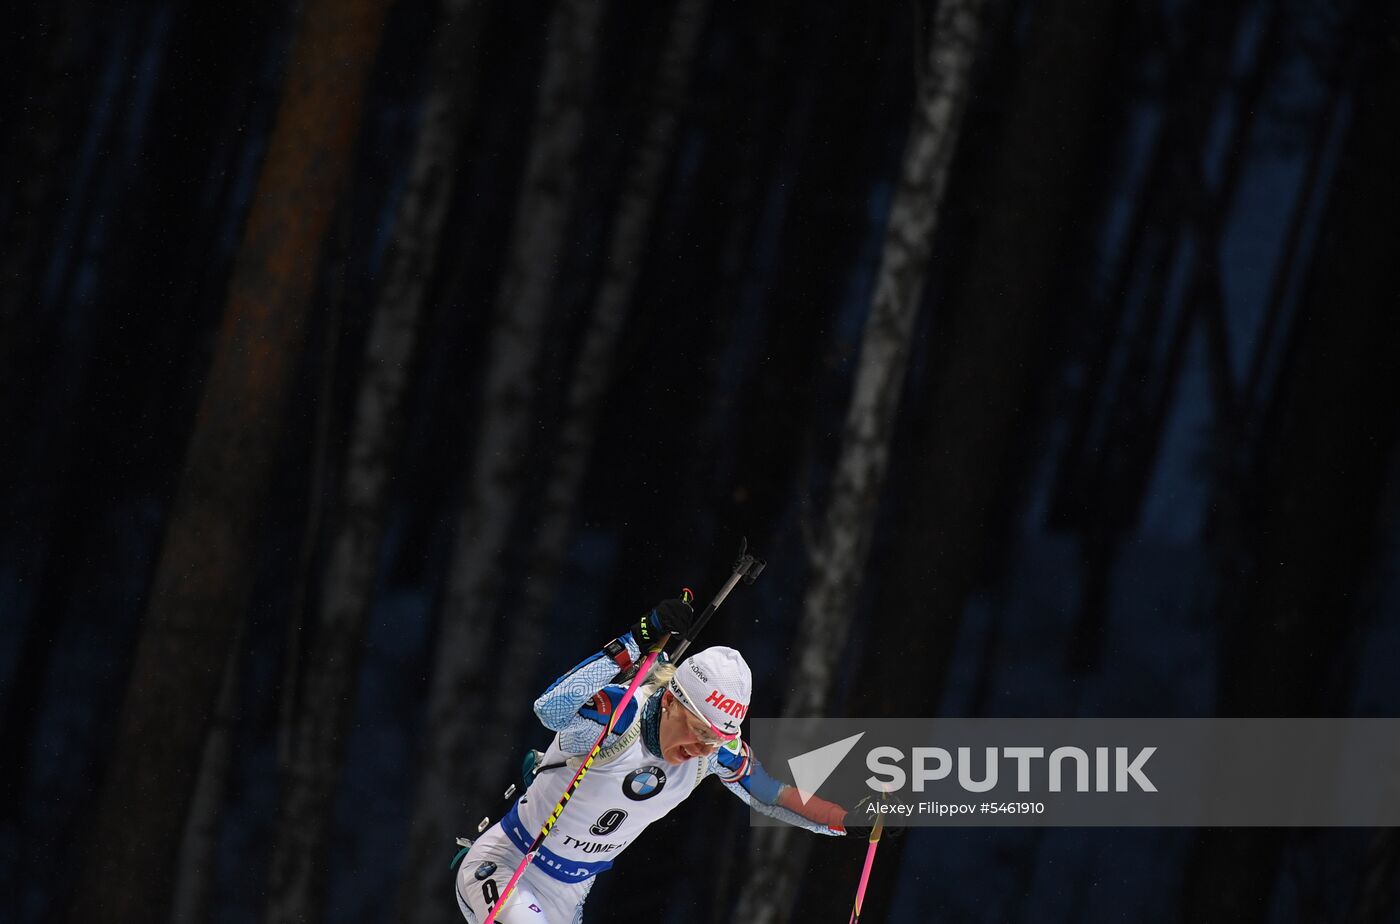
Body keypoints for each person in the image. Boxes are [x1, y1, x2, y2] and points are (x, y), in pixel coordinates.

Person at [454, 598, 851, 923]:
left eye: (716, 739)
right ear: (671, 702)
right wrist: (636, 639)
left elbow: (769, 794)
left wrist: (844, 819)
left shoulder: (714, 754)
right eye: (699, 731)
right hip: (509, 863)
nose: (703, 748)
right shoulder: (619, 719)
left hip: (568, 896)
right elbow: (550, 710)